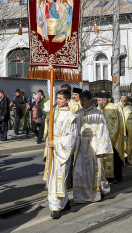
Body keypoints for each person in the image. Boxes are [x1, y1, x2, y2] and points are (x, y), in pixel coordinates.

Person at [72, 90, 113, 203]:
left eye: (84, 100)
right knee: (80, 170)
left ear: (90, 100)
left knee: (95, 170)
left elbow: (103, 130)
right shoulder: (77, 113)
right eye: (81, 100)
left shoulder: (97, 113)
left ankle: (97, 191)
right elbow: (73, 131)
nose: (81, 102)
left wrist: (102, 149)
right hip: (80, 145)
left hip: (94, 144)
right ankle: (81, 195)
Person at [45, 89, 78, 219]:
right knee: (52, 178)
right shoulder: (56, 112)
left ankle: (56, 207)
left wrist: (57, 143)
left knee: (59, 179)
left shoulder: (71, 117)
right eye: (57, 98)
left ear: (68, 100)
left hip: (61, 150)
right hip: (53, 149)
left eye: (60, 99)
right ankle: (65, 202)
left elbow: (71, 138)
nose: (57, 101)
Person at [96, 91, 125, 184]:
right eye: (97, 100)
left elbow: (118, 122)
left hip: (114, 137)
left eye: (99, 100)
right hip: (103, 138)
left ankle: (117, 177)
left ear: (105, 101)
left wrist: (111, 135)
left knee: (116, 157)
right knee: (105, 158)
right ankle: (108, 177)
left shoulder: (114, 107)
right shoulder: (98, 109)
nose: (98, 102)